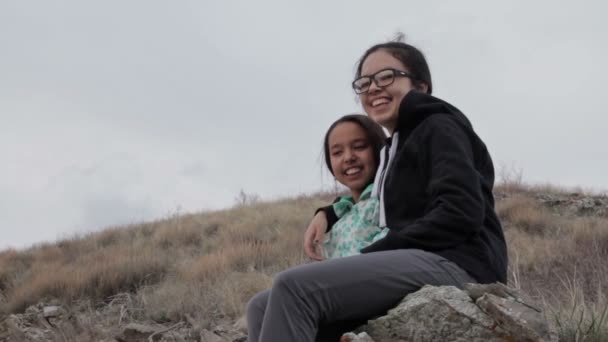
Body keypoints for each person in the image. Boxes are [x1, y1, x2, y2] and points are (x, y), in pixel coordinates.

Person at [247, 36, 508, 342]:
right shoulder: (392, 151)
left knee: (295, 287)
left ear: (421, 86)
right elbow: (365, 195)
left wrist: (380, 249)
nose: (373, 88)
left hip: (458, 261)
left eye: (386, 76)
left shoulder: (439, 126)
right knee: (260, 306)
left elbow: (461, 212)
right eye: (364, 82)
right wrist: (328, 213)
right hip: (419, 259)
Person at [318, 114, 389, 259]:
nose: (349, 157)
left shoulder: (388, 199)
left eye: (359, 147)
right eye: (337, 152)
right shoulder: (341, 213)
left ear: (379, 150)